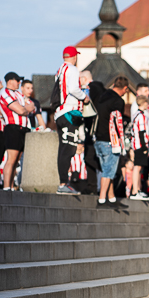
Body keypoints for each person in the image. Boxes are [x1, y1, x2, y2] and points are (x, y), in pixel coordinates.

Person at [54, 47, 90, 195]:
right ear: (74, 57)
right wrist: (84, 97)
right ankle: (63, 183)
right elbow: (74, 89)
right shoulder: (73, 69)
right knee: (68, 148)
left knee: (64, 147)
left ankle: (63, 182)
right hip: (69, 112)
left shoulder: (60, 69)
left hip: (60, 113)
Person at [94, 76, 129, 209]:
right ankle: (102, 200)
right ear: (125, 88)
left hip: (98, 139)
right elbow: (117, 123)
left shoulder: (101, 96)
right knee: (109, 171)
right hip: (110, 141)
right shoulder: (118, 101)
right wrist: (120, 142)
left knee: (106, 169)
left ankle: (112, 197)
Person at [0, 72, 35, 191]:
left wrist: (26, 108)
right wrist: (26, 108)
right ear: (10, 81)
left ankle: (11, 185)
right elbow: (20, 110)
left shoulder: (18, 93)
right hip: (13, 127)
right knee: (11, 158)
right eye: (18, 80)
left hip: (23, 128)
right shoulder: (5, 93)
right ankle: (6, 187)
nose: (19, 83)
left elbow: (32, 105)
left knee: (17, 160)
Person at [129, 96, 149, 200]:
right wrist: (144, 147)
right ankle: (135, 190)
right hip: (139, 145)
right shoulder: (141, 116)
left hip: (136, 144)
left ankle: (137, 189)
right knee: (137, 167)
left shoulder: (136, 115)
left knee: (138, 167)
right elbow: (142, 132)